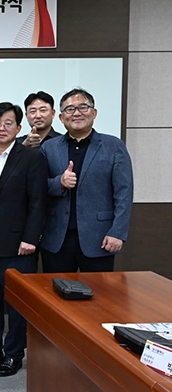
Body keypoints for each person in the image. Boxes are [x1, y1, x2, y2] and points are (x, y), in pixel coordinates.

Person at [0, 102, 47, 377]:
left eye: (8, 123)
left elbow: (38, 202)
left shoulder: (32, 158)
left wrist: (31, 238)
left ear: (18, 128)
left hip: (17, 244)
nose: (1, 128)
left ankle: (14, 354)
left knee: (17, 304)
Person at [40, 88, 134, 272]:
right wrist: (59, 182)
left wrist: (117, 233)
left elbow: (124, 193)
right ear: (61, 117)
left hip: (100, 238)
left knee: (98, 290)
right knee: (55, 289)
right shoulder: (49, 148)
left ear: (94, 112)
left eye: (83, 107)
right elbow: (38, 188)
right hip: (57, 238)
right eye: (70, 109)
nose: (76, 113)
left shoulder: (113, 146)